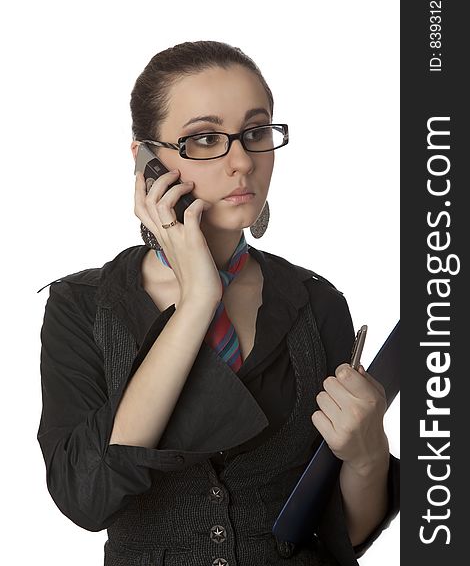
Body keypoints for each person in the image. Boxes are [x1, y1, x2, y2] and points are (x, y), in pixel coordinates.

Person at [36, 40, 399, 566]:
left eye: (255, 132)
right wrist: (198, 301)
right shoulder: (81, 308)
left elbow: (342, 533)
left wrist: (367, 453)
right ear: (146, 160)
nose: (242, 161)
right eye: (204, 139)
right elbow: (85, 495)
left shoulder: (315, 303)